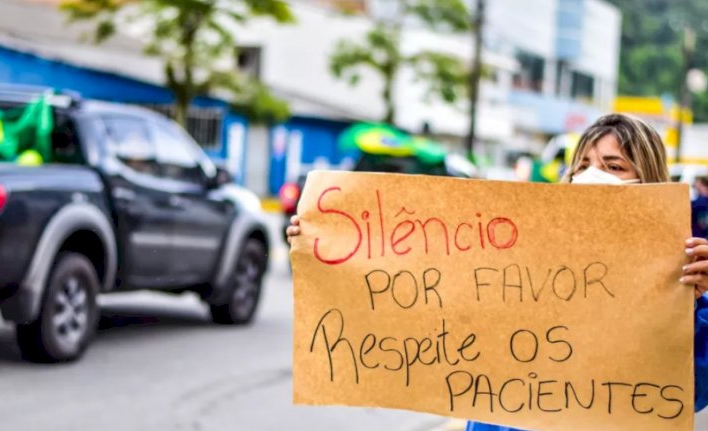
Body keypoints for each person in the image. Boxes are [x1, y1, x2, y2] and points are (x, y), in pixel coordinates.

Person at [287, 113, 708, 430]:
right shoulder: (519, 252)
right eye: (582, 166)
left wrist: (697, 300)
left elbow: (690, 393)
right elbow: (421, 291)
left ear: (649, 184)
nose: (591, 177)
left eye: (614, 167)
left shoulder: (681, 275)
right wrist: (328, 243)